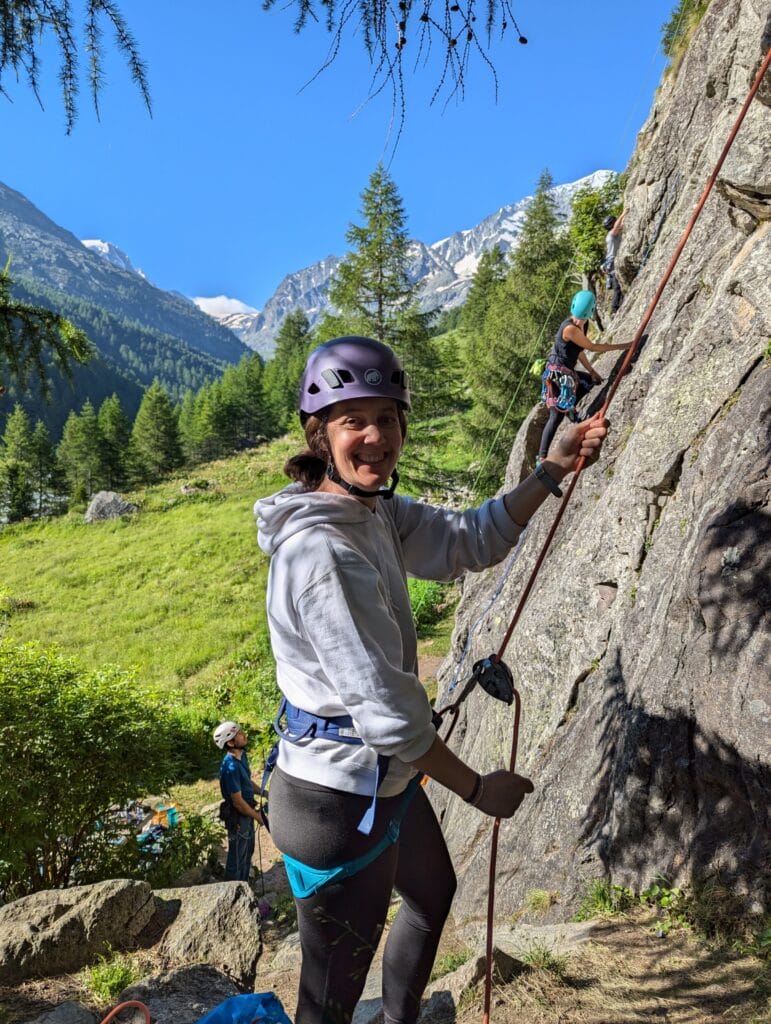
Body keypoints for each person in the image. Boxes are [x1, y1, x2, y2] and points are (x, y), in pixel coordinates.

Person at [254, 336, 610, 1024]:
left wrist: (549, 470)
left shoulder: (371, 511)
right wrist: (478, 790)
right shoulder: (323, 554)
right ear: (318, 435)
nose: (374, 437)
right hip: (334, 803)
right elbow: (389, 718)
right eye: (352, 420)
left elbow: (465, 540)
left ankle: (397, 1020)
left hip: (376, 779)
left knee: (431, 891)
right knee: (325, 1002)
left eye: (386, 419)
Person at [538, 290, 631, 465]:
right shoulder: (570, 328)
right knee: (555, 415)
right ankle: (542, 458)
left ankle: (570, 410)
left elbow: (579, 351)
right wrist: (623, 346)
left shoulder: (581, 324)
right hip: (557, 376)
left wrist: (593, 371)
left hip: (565, 373)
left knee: (588, 382)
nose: (579, 318)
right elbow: (593, 347)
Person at [214, 720, 260, 882]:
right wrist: (258, 816)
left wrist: (265, 792)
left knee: (248, 851)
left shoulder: (242, 756)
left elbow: (247, 781)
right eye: (239, 734)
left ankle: (244, 886)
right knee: (236, 858)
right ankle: (233, 893)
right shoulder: (230, 767)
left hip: (247, 812)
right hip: (239, 816)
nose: (243, 735)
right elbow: (238, 802)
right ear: (231, 742)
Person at [602, 209, 626, 313]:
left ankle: (616, 306)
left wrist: (624, 217)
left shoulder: (611, 234)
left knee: (617, 285)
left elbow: (621, 225)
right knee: (617, 286)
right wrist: (624, 213)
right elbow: (617, 226)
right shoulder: (612, 234)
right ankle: (615, 308)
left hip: (610, 263)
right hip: (612, 263)